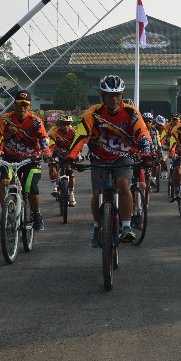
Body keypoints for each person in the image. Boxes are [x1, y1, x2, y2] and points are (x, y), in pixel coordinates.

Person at [64, 75, 155, 247]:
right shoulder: (93, 113)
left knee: (123, 184)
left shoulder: (131, 112)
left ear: (122, 95)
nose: (114, 99)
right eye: (109, 95)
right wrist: (70, 157)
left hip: (123, 156)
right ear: (102, 96)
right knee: (99, 194)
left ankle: (127, 227)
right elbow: (81, 136)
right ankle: (97, 227)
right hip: (99, 157)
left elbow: (142, 134)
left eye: (117, 95)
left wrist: (147, 155)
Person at [0, 91, 51, 231]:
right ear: (14, 105)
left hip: (31, 160)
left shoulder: (35, 121)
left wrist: (46, 151)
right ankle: (6, 214)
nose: (22, 107)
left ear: (30, 106)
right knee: (4, 182)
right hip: (10, 158)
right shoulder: (5, 119)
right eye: (19, 104)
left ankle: (36, 215)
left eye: (25, 105)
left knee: (30, 187)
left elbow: (43, 137)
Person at [48, 114, 77, 207]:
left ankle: (71, 194)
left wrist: (78, 155)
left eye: (68, 124)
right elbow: (51, 144)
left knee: (71, 173)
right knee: (52, 165)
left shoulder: (73, 132)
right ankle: (54, 188)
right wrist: (49, 155)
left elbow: (77, 145)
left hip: (69, 154)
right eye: (63, 124)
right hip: (57, 153)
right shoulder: (54, 131)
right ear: (59, 124)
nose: (66, 126)